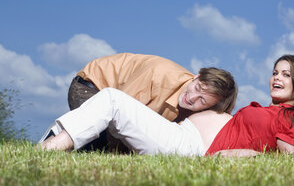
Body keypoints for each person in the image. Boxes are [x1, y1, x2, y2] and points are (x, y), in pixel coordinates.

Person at [40, 54, 294, 157]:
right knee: (111, 100)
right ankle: (46, 147)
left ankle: (46, 150)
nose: (276, 78)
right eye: (275, 71)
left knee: (113, 100)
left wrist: (241, 156)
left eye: (286, 74)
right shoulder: (272, 111)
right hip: (182, 137)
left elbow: (290, 159)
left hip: (191, 147)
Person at [39, 53, 238, 151]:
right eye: (197, 88)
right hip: (90, 87)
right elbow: (114, 110)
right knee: (95, 142)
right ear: (195, 77)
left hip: (109, 96)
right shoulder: (159, 77)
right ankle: (46, 146)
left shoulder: (193, 110)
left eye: (202, 100)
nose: (192, 98)